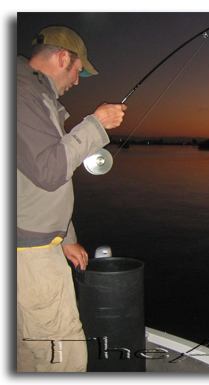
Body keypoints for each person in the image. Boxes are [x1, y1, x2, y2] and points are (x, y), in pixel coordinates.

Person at [17, 26, 127, 372]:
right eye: (79, 71)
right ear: (64, 58)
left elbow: (28, 183)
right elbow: (50, 171)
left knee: (25, 353)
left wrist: (66, 237)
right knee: (64, 358)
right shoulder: (20, 93)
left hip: (31, 240)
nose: (77, 81)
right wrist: (96, 124)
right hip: (28, 250)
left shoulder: (30, 93)